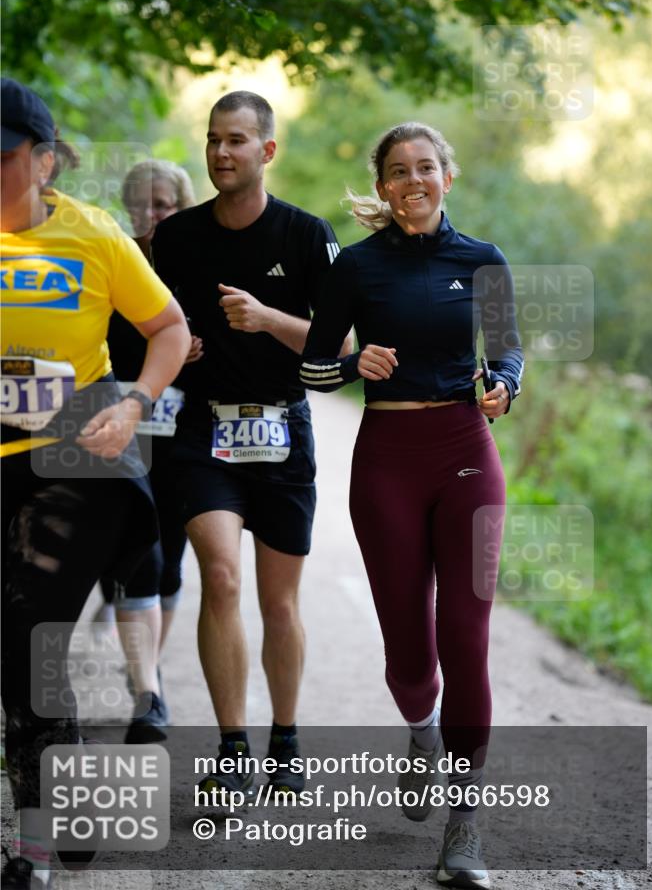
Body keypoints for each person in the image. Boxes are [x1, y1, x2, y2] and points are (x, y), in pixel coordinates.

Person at [300, 122, 524, 889]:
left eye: (425, 167)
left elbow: (508, 347)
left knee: (465, 634)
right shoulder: (356, 267)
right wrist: (352, 362)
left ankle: (465, 821)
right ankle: (420, 730)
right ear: (383, 185)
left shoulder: (481, 259)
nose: (412, 180)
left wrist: (505, 385)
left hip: (466, 453)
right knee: (408, 651)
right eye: (397, 171)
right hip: (386, 461)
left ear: (446, 178)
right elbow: (313, 369)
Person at [0, 79, 191, 889]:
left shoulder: (95, 235)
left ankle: (33, 843)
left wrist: (137, 400)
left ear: (45, 161)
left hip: (70, 458)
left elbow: (169, 328)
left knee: (28, 640)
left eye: (3, 157)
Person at [151, 90, 351, 800]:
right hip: (204, 428)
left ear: (266, 151)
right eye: (212, 139)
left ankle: (285, 738)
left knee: (278, 603)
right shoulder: (177, 237)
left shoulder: (305, 235)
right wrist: (177, 345)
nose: (221, 153)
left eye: (236, 140)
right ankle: (233, 746)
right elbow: (148, 327)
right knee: (220, 576)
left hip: (282, 427)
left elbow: (344, 344)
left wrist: (268, 318)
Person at [94, 160, 200, 739]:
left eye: (163, 204)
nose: (151, 214)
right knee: (142, 550)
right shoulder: (112, 260)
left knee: (172, 557)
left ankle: (148, 669)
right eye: (142, 204)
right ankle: (147, 691)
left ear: (181, 206)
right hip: (122, 426)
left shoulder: (198, 265)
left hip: (183, 433)